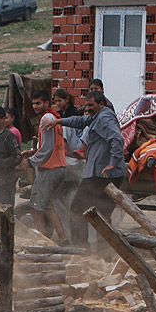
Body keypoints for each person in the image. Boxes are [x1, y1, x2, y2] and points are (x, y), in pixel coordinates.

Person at [54, 91, 125, 249]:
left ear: (101, 104)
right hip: (100, 172)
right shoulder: (96, 117)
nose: (88, 108)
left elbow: (117, 139)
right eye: (86, 105)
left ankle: (82, 250)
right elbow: (80, 120)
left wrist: (113, 162)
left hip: (102, 174)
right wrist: (58, 121)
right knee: (101, 215)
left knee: (78, 209)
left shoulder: (105, 117)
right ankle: (103, 254)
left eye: (91, 105)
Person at [23, 91, 69, 243]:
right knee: (49, 206)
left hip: (49, 168)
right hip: (60, 167)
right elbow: (50, 144)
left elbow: (47, 148)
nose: (35, 106)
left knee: (35, 206)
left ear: (47, 103)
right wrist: (33, 151)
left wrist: (31, 161)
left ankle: (42, 240)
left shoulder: (46, 119)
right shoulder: (55, 117)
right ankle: (62, 238)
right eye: (34, 103)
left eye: (38, 103)